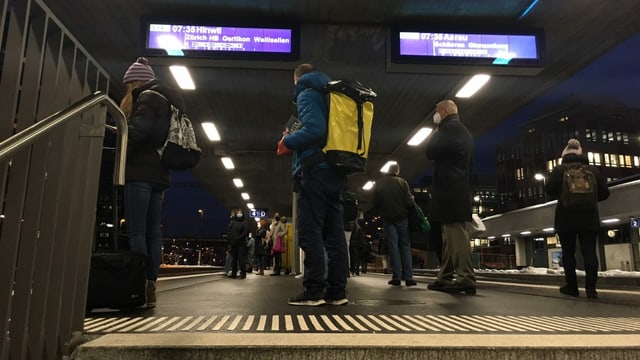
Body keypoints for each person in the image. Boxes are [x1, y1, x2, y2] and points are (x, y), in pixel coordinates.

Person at [279, 63, 349, 306]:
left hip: (314, 172)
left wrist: (288, 140)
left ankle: (313, 290)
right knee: (335, 234)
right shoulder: (332, 94)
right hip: (335, 170)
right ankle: (337, 292)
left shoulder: (307, 93)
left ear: (297, 79)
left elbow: (315, 130)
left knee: (310, 232)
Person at [120, 57, 184, 308]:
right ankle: (151, 285)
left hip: (140, 173)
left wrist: (121, 136)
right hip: (160, 174)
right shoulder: (168, 100)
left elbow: (140, 131)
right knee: (153, 234)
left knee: (136, 231)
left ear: (135, 82)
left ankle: (137, 286)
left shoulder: (148, 97)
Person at [544, 138, 610, 299]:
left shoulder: (559, 170)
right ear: (581, 153)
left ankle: (572, 287)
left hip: (565, 216)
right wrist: (590, 200)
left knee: (568, 253)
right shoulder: (592, 170)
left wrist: (564, 196)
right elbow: (605, 193)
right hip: (589, 216)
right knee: (589, 252)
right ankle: (591, 290)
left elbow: (549, 189)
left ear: (565, 155)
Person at [424, 99, 477, 295]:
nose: (435, 115)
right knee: (450, 238)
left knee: (456, 235)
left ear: (444, 112)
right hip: (458, 188)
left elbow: (429, 151)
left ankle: (466, 278)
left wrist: (435, 134)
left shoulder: (448, 130)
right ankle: (444, 277)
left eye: (437, 111)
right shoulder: (462, 131)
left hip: (449, 190)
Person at [370, 163, 417, 286]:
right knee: (405, 246)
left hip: (388, 219)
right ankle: (408, 278)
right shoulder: (402, 182)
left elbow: (375, 202)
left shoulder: (379, 183)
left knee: (393, 246)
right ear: (397, 171)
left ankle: (396, 277)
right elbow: (409, 202)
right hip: (402, 218)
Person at [227, 208, 249, 279]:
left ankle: (243, 274)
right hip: (234, 243)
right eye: (238, 212)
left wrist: (239, 237)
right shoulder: (233, 222)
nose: (239, 213)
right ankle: (233, 273)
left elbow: (245, 231)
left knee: (240, 258)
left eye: (240, 212)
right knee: (234, 259)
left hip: (241, 243)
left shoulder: (244, 222)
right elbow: (230, 230)